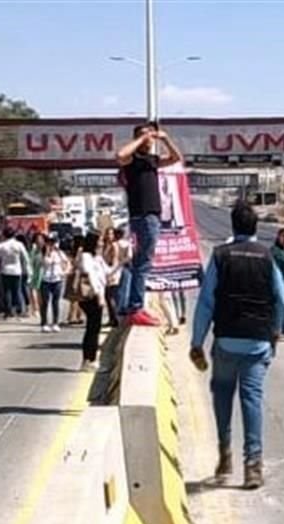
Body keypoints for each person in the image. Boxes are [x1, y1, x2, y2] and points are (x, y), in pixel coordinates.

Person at [190, 201, 284, 490]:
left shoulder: (220, 256)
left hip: (226, 341)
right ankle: (253, 465)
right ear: (256, 227)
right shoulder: (267, 257)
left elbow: (206, 303)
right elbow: (280, 299)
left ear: (233, 226)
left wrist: (196, 342)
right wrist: (276, 332)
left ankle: (224, 455)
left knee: (221, 395)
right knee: (252, 400)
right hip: (257, 342)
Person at [116, 122, 183, 326]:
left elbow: (176, 158)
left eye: (150, 136)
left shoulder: (152, 160)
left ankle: (132, 305)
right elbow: (120, 155)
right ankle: (136, 306)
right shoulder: (132, 159)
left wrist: (165, 139)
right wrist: (140, 139)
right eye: (146, 136)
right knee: (143, 263)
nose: (149, 139)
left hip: (152, 215)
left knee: (141, 262)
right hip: (143, 215)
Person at [76, 232, 107, 370]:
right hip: (91, 296)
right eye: (100, 241)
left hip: (98, 294)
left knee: (95, 327)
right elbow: (90, 276)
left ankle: (90, 359)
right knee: (92, 328)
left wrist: (121, 262)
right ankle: (89, 360)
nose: (102, 243)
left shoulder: (98, 258)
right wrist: (99, 294)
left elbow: (107, 272)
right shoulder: (85, 257)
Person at [0, 227, 28, 321]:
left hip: (5, 270)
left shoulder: (1, 246)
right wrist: (26, 269)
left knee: (7, 291)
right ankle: (18, 310)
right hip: (17, 270)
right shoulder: (19, 245)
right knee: (17, 291)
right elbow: (25, 257)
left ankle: (8, 311)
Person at [40, 234, 69, 333]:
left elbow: (67, 262)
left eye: (53, 242)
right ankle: (44, 323)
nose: (52, 244)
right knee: (45, 302)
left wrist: (65, 272)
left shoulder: (60, 253)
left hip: (57, 279)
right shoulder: (43, 253)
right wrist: (47, 252)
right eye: (50, 242)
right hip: (46, 279)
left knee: (55, 302)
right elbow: (45, 263)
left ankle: (55, 323)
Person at [101, 227, 122, 327]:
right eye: (107, 234)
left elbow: (114, 260)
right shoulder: (105, 246)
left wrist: (111, 274)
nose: (109, 236)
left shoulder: (114, 245)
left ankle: (115, 318)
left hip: (112, 272)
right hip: (106, 272)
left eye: (111, 234)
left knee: (110, 296)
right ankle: (112, 318)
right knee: (107, 297)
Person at [28, 233, 45, 319]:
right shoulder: (33, 250)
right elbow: (30, 262)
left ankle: (40, 308)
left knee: (40, 293)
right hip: (35, 272)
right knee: (33, 291)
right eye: (38, 239)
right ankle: (36, 309)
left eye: (41, 239)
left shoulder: (45, 249)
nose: (40, 241)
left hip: (44, 273)